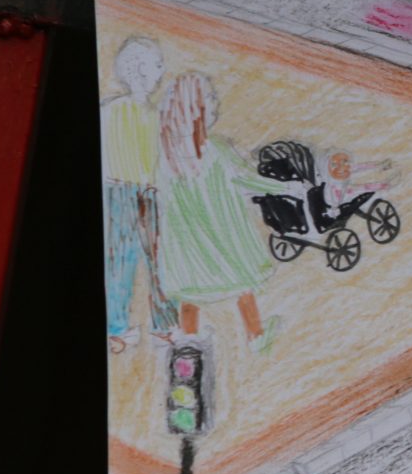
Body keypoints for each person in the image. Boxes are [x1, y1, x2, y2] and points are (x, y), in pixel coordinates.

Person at [155, 72, 290, 351]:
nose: (215, 104)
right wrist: (285, 187)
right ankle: (256, 335)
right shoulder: (216, 148)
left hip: (187, 241)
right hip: (224, 234)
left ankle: (188, 340)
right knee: (243, 286)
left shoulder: (167, 155)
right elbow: (246, 178)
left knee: (190, 293)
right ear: (196, 110)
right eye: (210, 99)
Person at [100, 37, 176, 352]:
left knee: (158, 259)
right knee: (123, 260)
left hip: (147, 192)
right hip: (121, 191)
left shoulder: (156, 114)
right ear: (140, 70)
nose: (159, 72)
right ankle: (119, 329)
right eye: (156, 66)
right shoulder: (113, 110)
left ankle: (162, 325)